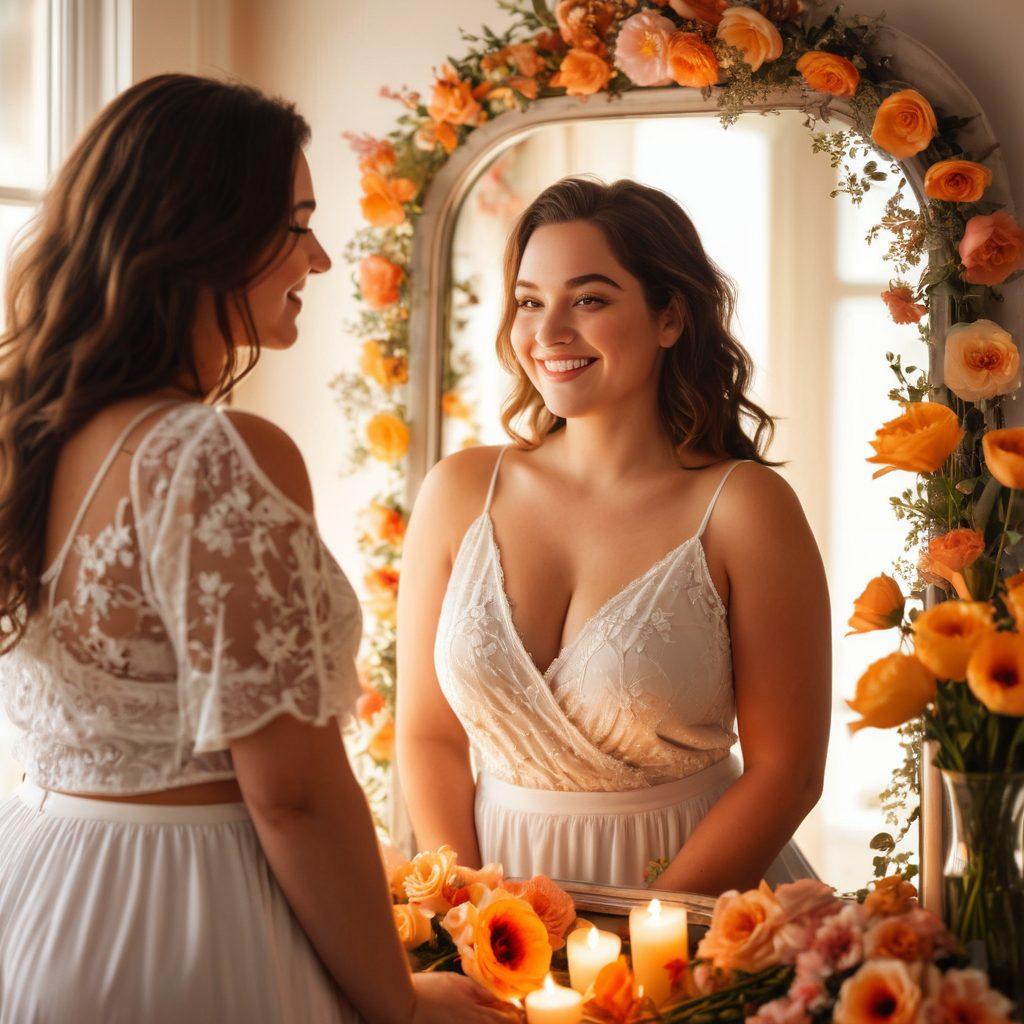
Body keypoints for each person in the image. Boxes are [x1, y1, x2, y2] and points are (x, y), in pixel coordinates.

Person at [0, 74, 508, 1024]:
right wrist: (400, 1006)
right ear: (205, 233)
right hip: (182, 922)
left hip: (41, 896)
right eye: (296, 222)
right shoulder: (210, 454)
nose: (317, 257)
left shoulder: (23, 441)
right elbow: (295, 795)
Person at [396, 176, 830, 895]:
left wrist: (647, 939)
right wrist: (468, 914)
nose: (549, 332)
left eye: (589, 299)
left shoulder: (744, 508)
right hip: (492, 900)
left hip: (692, 902)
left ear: (670, 318)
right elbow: (427, 737)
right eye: (531, 301)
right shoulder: (458, 492)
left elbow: (789, 773)